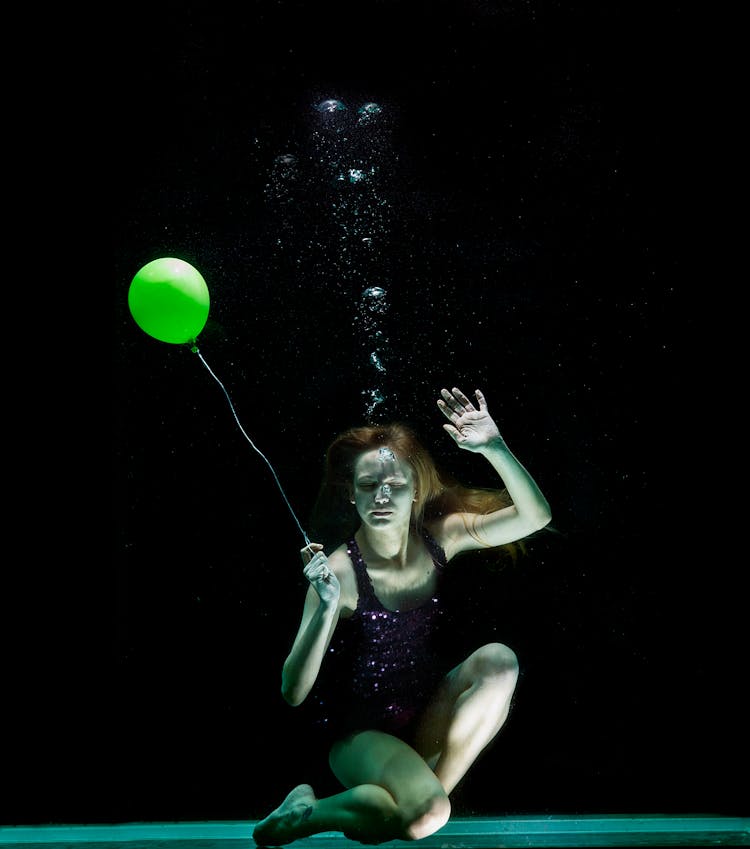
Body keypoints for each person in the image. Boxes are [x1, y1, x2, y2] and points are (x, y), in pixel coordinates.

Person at [253, 387, 551, 846]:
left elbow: (534, 517)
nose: (382, 496)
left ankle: (414, 803)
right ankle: (384, 808)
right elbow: (292, 692)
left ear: (417, 490)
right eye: (368, 486)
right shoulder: (339, 572)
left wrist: (494, 448)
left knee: (499, 660)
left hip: (425, 716)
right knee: (420, 817)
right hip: (360, 737)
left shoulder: (439, 539)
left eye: (395, 485)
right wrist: (327, 607)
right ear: (350, 494)